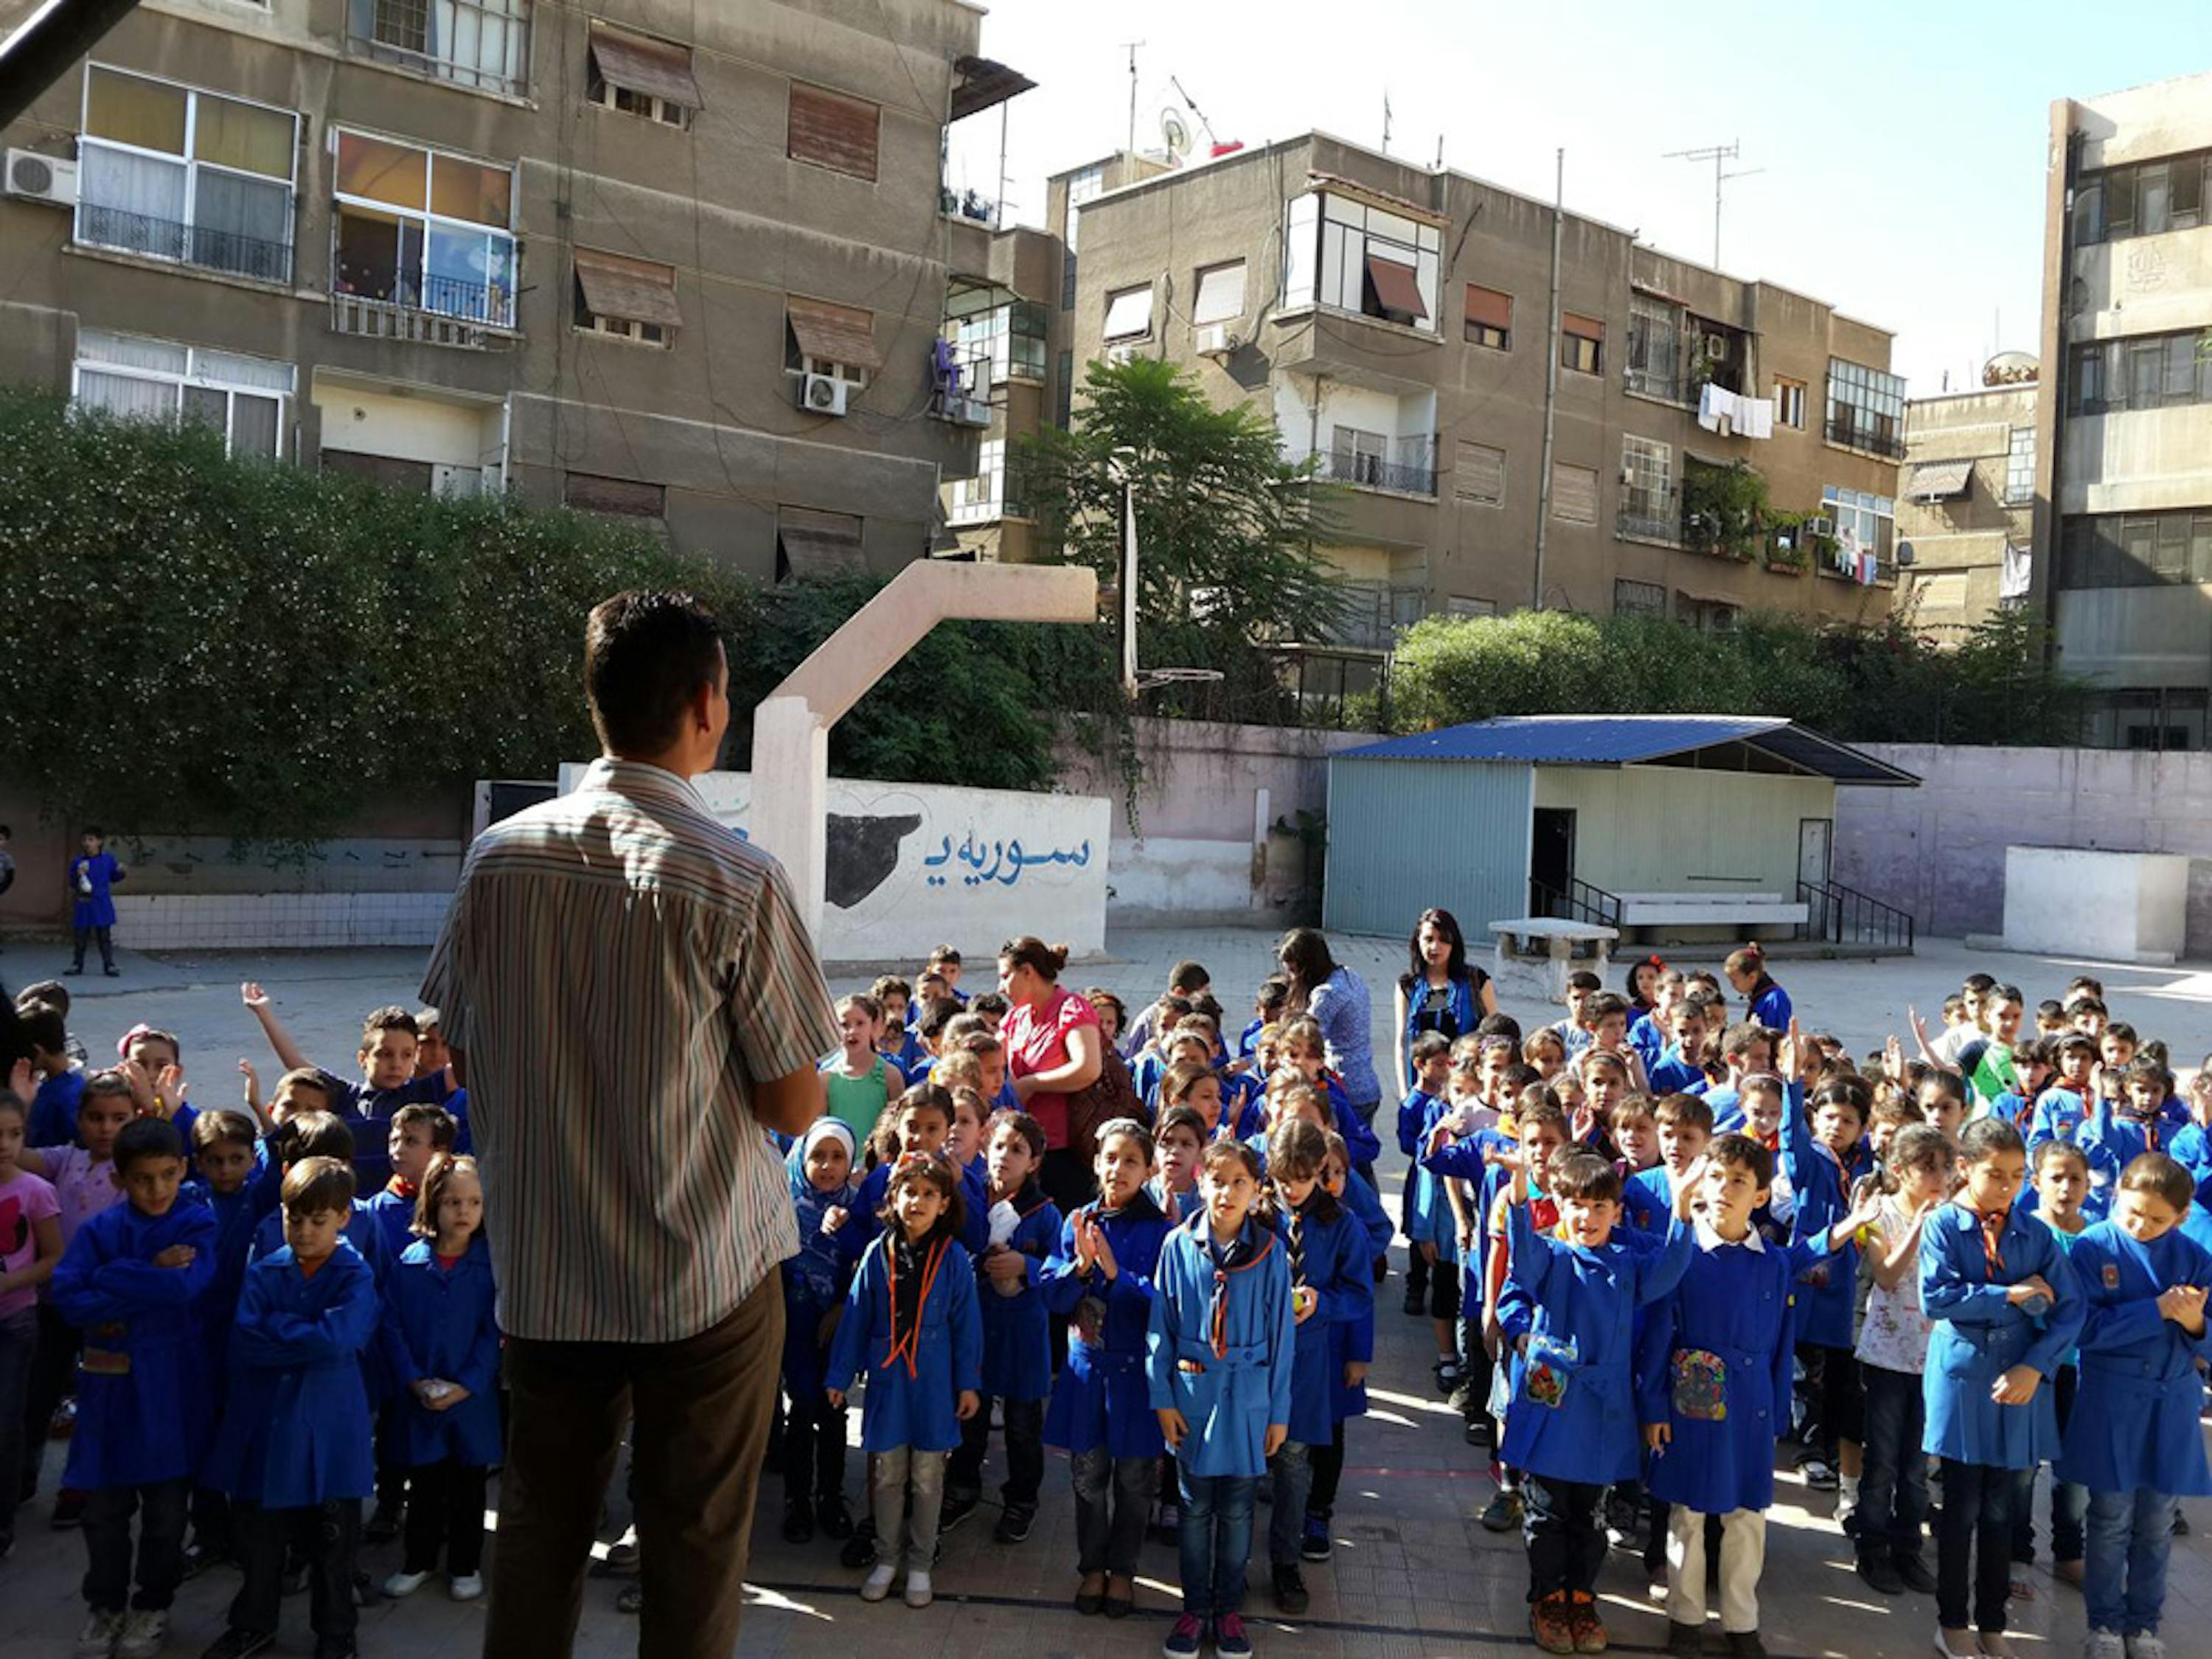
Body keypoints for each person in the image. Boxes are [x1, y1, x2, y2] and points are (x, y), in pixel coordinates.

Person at [419, 589, 840, 1659]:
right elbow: (795, 1104)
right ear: (707, 706)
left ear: (599, 702)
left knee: (539, 1535)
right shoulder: (737, 876)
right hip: (703, 1280)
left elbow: (462, 1053)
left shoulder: (498, 859)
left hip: (548, 1278)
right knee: (694, 1557)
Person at [1496, 1143, 1697, 1655]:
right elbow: (1522, 1257)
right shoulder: (1552, 1254)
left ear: (1617, 1211)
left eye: (1600, 1207)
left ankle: (1581, 1597)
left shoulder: (1628, 1262)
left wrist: (1683, 1205)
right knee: (1546, 1511)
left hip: (1604, 1409)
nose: (1587, 1217)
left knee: (1592, 1516)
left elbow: (1671, 1269)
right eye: (1577, 1206)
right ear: (1560, 1205)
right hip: (1554, 1400)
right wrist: (1520, 1187)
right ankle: (1545, 1599)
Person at [201, 1155, 380, 1659]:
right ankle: (253, 1624)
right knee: (260, 1538)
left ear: (344, 1218)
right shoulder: (265, 1271)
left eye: (317, 1220)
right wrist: (308, 1339)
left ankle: (336, 1633)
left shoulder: (355, 1275)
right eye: (293, 1218)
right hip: (269, 1424)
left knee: (332, 1542)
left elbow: (339, 1339)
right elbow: (245, 1341)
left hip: (329, 1424)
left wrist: (281, 1332)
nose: (303, 1231)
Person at [1921, 1116, 2084, 1659]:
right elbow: (1936, 1299)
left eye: (2017, 1175)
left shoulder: (2034, 1234)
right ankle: (1952, 1624)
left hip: (2019, 1379)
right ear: (1965, 1169)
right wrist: (2011, 1294)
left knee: (2003, 1512)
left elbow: (2071, 1309)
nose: (2008, 1186)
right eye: (1995, 1174)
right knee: (1961, 1506)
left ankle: (1993, 1623)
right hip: (1964, 1378)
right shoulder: (1944, 1225)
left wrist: (2036, 1367)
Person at [50, 1118, 213, 1659]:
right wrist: (146, 1271)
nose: (157, 1189)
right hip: (109, 1397)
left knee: (167, 1518)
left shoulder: (196, 1223)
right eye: (143, 1179)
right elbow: (71, 1298)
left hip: (171, 1393)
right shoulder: (100, 1231)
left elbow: (185, 1287)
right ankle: (106, 1607)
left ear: (184, 1170)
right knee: (103, 1514)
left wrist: (111, 1278)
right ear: (119, 1180)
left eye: (168, 1175)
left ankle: (152, 1605)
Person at [1638, 1133, 1798, 1659]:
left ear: (1760, 1195)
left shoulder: (1772, 1261)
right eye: (1716, 1177)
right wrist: (1655, 1406)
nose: (1725, 1189)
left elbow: (1782, 1340)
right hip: (1693, 1401)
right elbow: (1659, 1332)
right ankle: (1684, 1614)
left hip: (1750, 1407)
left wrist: (1776, 1407)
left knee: (1747, 1517)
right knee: (1687, 1513)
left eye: (1739, 1181)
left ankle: (1741, 1619)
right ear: (1699, 1183)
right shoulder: (1682, 1252)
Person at [2056, 1152, 2212, 1659]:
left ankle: (2144, 1624)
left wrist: (2194, 1325)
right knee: (2109, 1516)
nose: (2142, 1227)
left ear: (2183, 1216)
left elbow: (2207, 1341)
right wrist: (2157, 1310)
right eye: (2133, 1214)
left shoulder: (2195, 1256)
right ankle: (2104, 1623)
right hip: (2112, 1400)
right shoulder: (2093, 1247)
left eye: (2157, 1220)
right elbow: (2083, 1330)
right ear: (2117, 1196)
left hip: (2172, 1402)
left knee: (2157, 1520)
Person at [1148, 1138, 1295, 1659]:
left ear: (1257, 1191)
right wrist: (1163, 1399)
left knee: (1236, 1511)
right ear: (1200, 1183)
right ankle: (1194, 1609)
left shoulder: (1270, 1253)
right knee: (1192, 1508)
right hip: (1193, 1402)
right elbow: (1160, 1330)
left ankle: (1228, 1608)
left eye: (1240, 1182)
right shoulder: (1177, 1246)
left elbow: (1283, 1336)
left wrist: (1278, 1412)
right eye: (1218, 1180)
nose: (1227, 1192)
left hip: (1250, 1402)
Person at [824, 1152, 981, 1610]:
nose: (918, 1201)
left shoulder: (953, 1259)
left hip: (933, 1379)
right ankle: (887, 1557)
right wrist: (840, 1375)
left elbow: (966, 1325)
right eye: (910, 1191)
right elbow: (855, 1318)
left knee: (929, 1476)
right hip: (889, 1378)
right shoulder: (879, 1253)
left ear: (944, 1203)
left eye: (929, 1194)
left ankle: (920, 1562)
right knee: (889, 1472)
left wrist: (967, 1383)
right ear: (893, 1197)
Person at [1041, 1118, 1169, 1619]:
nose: (1119, 1169)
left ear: (1148, 1169)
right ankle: (1091, 1566)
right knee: (1087, 1477)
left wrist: (1117, 1275)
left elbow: (1165, 1302)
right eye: (1110, 1158)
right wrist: (1081, 1268)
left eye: (1131, 1160)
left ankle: (1123, 1571)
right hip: (1086, 1374)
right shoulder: (1076, 1220)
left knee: (1135, 1482)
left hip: (1135, 1377)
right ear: (1096, 1163)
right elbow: (1052, 1295)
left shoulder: (1162, 1231)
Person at [1259, 1119, 1371, 1615]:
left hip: (1307, 1364)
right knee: (1242, 1466)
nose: (1291, 1188)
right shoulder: (1256, 1216)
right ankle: (1229, 1559)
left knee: (1294, 1467)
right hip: (1251, 1359)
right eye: (1283, 1177)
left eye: (1302, 1177)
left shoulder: (1340, 1223)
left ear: (1321, 1170)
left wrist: (1319, 1302)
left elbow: (1359, 1294)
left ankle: (1285, 1562)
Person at [379, 1155, 500, 1604]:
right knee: (424, 1486)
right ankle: (419, 1559)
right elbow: (389, 1328)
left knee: (470, 1488)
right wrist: (414, 1381)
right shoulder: (409, 1263)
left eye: (474, 1202)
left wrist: (466, 1385)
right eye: (452, 1202)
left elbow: (494, 1333)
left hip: (471, 1401)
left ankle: (466, 1564)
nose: (463, 1212)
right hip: (422, 1398)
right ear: (432, 1204)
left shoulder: (490, 1267)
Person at [15, 1068, 134, 1526]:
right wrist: (23, 1107)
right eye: (96, 1118)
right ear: (79, 1120)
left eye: (118, 1118)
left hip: (106, 1312)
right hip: (53, 1303)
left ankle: (80, 1486)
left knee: (98, 1399)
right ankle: (19, 1478)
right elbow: (18, 1156)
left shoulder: (136, 1172)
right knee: (37, 1393)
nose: (106, 1128)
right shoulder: (66, 1160)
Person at [946, 1109, 1060, 1544]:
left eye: (1018, 1151)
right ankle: (963, 1486)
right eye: (998, 1147)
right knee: (970, 1416)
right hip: (977, 1329)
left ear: (1033, 1162)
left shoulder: (1045, 1213)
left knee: (1022, 1424)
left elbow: (1061, 1269)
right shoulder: (970, 1197)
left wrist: (1027, 1265)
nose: (1004, 1158)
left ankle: (1021, 1499)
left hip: (1023, 1336)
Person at [1852, 1124, 1955, 1599]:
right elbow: (1888, 1275)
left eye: (1945, 1167)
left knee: (1917, 1466)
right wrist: (1919, 1225)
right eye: (1927, 1168)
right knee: (1884, 1462)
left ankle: (1908, 1548)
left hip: (1933, 1358)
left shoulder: (1952, 1217)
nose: (1939, 1177)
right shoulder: (1882, 1216)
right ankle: (1872, 1547)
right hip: (1888, 1357)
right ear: (1900, 1171)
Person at [779, 1119, 860, 1545]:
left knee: (833, 1411)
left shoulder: (858, 1209)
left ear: (850, 1162)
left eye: (837, 1157)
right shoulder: (787, 1207)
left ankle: (831, 1497)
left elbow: (866, 1265)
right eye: (817, 1156)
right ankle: (798, 1502)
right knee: (802, 1410)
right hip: (796, 1327)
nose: (827, 1166)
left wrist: (842, 1306)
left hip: (838, 1330)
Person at [998, 936, 1107, 1214]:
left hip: (1064, 1153)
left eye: (1006, 976)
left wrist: (1033, 1084)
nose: (1001, 987)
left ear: (1028, 972)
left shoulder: (1072, 1009)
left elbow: (1087, 1067)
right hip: (1019, 1151)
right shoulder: (1016, 1018)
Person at [0, 1085, 60, 1559]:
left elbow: (53, 1258)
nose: (5, 1143)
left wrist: (9, 1283)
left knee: (8, 1418)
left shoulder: (35, 1191)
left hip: (15, 1320)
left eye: (15, 1133)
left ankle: (5, 1517)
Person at [1275, 928, 1382, 1165]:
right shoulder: (1348, 975)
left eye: (1293, 971)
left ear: (1307, 966)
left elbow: (1304, 1036)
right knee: (1359, 1165)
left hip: (1347, 1088)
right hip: (1367, 1081)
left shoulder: (1326, 995)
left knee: (1345, 1162)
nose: (1291, 978)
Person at [1392, 908, 1497, 1094]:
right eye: (1429, 939)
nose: (1435, 947)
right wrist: (1403, 1092)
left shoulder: (1477, 981)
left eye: (1443, 940)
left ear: (1453, 943)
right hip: (1423, 1086)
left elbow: (1495, 1034)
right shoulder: (1408, 986)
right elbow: (1402, 1042)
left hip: (1466, 1087)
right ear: (1418, 941)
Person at [824, 993, 905, 1141]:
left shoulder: (890, 1075)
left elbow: (898, 1126)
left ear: (873, 1026)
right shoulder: (826, 1077)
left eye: (860, 1023)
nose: (852, 1031)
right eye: (844, 1025)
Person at [66, 827, 125, 978]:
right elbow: (72, 882)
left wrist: (121, 872)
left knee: (104, 936)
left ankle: (109, 965)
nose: (87, 843)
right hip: (84, 902)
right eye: (84, 840)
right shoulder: (78, 861)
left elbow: (114, 877)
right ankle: (77, 964)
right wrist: (79, 876)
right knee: (80, 937)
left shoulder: (108, 859)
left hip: (101, 902)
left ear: (100, 841)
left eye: (91, 840)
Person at [1723, 945, 1789, 1032]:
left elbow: (1777, 1034)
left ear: (1752, 977)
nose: (1732, 985)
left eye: (1734, 981)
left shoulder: (1775, 999)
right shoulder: (1759, 995)